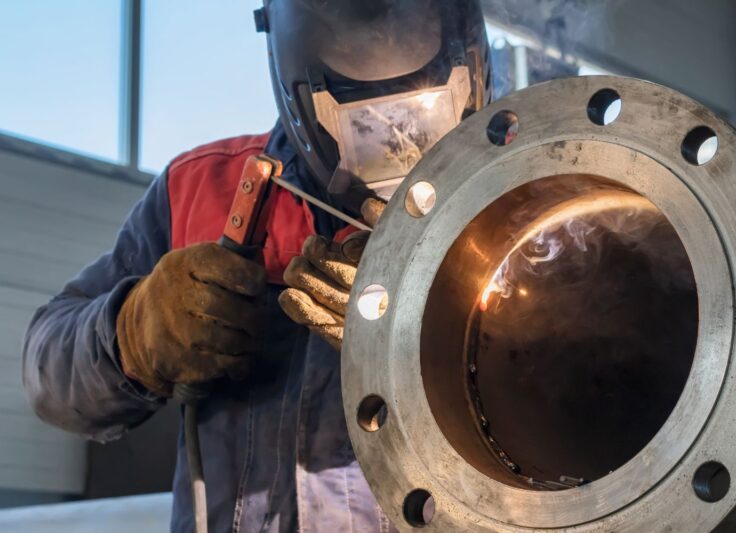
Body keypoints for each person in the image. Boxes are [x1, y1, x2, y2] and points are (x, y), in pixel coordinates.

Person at [22, 1, 491, 531]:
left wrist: (451, 341)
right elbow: (48, 371)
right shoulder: (203, 189)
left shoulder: (522, 201)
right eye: (368, 125)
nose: (395, 143)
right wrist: (134, 331)